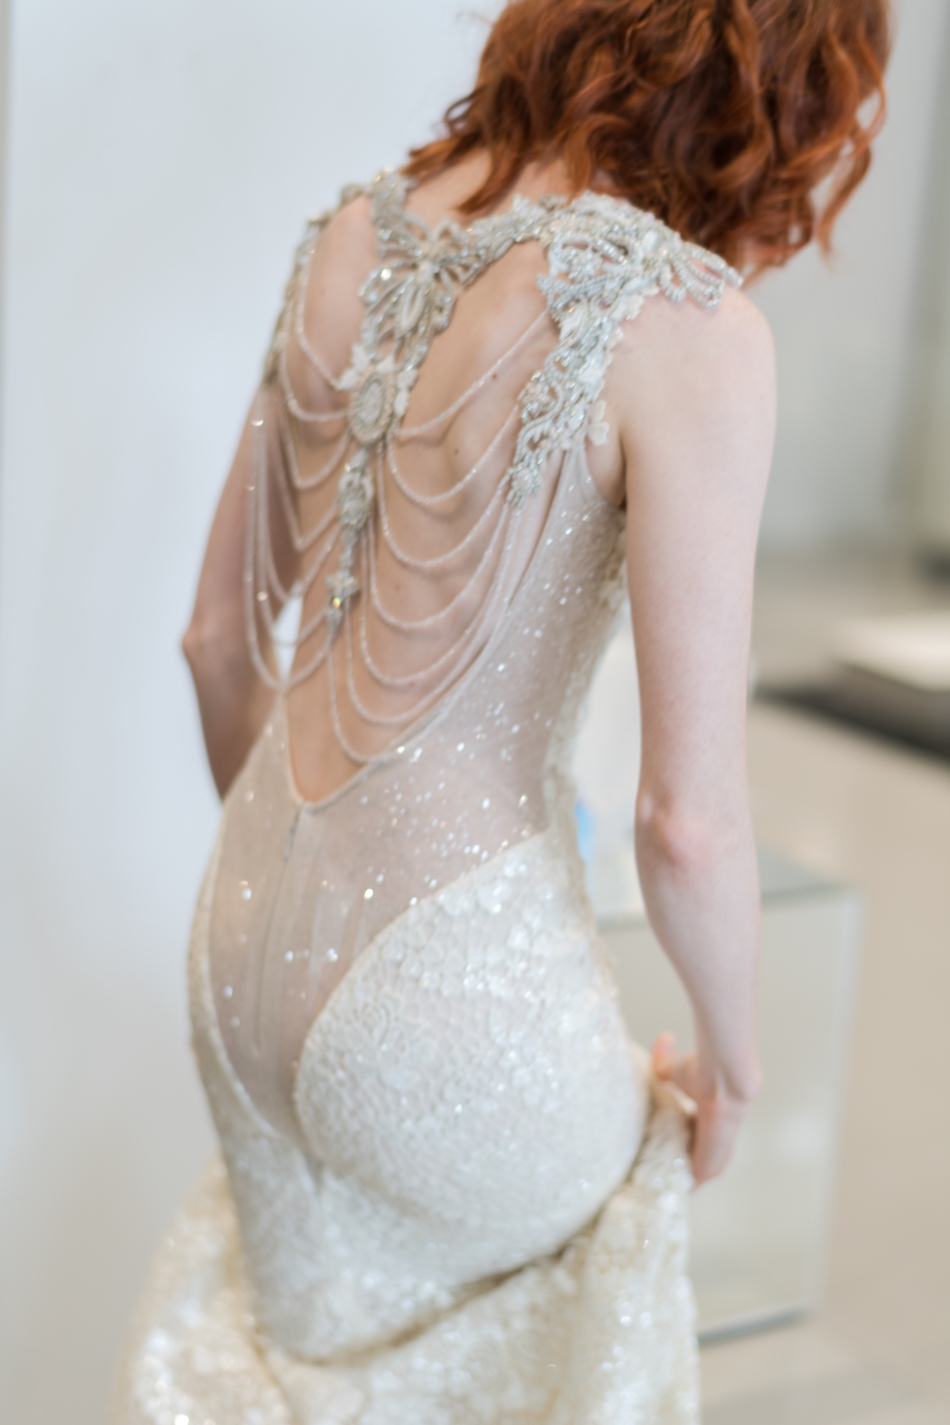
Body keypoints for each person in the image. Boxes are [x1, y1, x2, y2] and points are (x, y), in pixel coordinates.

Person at [111, 1, 889, 1420]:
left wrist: (298, 904)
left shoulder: (350, 230)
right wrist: (731, 1066)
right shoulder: (689, 328)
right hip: (448, 993)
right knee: (631, 1214)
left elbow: (215, 642)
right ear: (785, 85)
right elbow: (687, 823)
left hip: (232, 956)